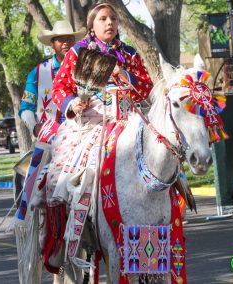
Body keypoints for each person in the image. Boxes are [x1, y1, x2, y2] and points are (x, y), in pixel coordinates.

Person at [42, 2, 153, 274]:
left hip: (129, 121)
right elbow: (60, 86)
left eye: (113, 18)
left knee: (161, 161)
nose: (109, 23)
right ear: (92, 26)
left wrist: (126, 76)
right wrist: (72, 103)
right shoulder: (79, 53)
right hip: (91, 124)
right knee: (72, 173)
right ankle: (71, 230)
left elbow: (147, 85)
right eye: (102, 19)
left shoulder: (128, 54)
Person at [19, 20, 86, 136]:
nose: (66, 43)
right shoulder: (37, 73)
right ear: (52, 44)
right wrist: (34, 127)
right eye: (61, 39)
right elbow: (26, 107)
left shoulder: (85, 68)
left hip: (83, 131)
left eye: (69, 39)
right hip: (49, 136)